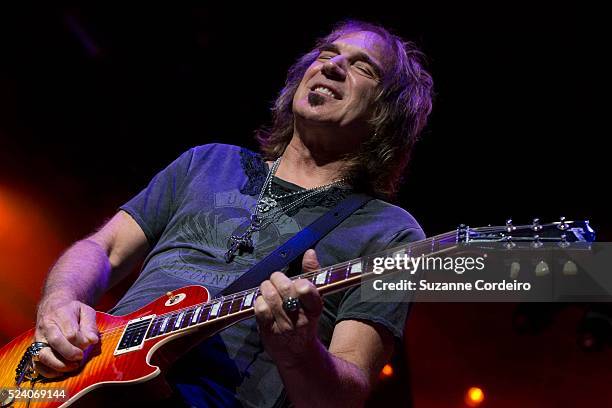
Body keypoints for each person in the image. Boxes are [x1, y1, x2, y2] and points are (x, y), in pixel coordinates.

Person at [32, 20, 433, 407]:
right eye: (327, 54)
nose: (332, 65)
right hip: (87, 383)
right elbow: (104, 248)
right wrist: (60, 302)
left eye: (362, 66)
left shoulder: (391, 233)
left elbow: (344, 397)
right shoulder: (207, 162)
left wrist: (299, 351)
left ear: (387, 114)